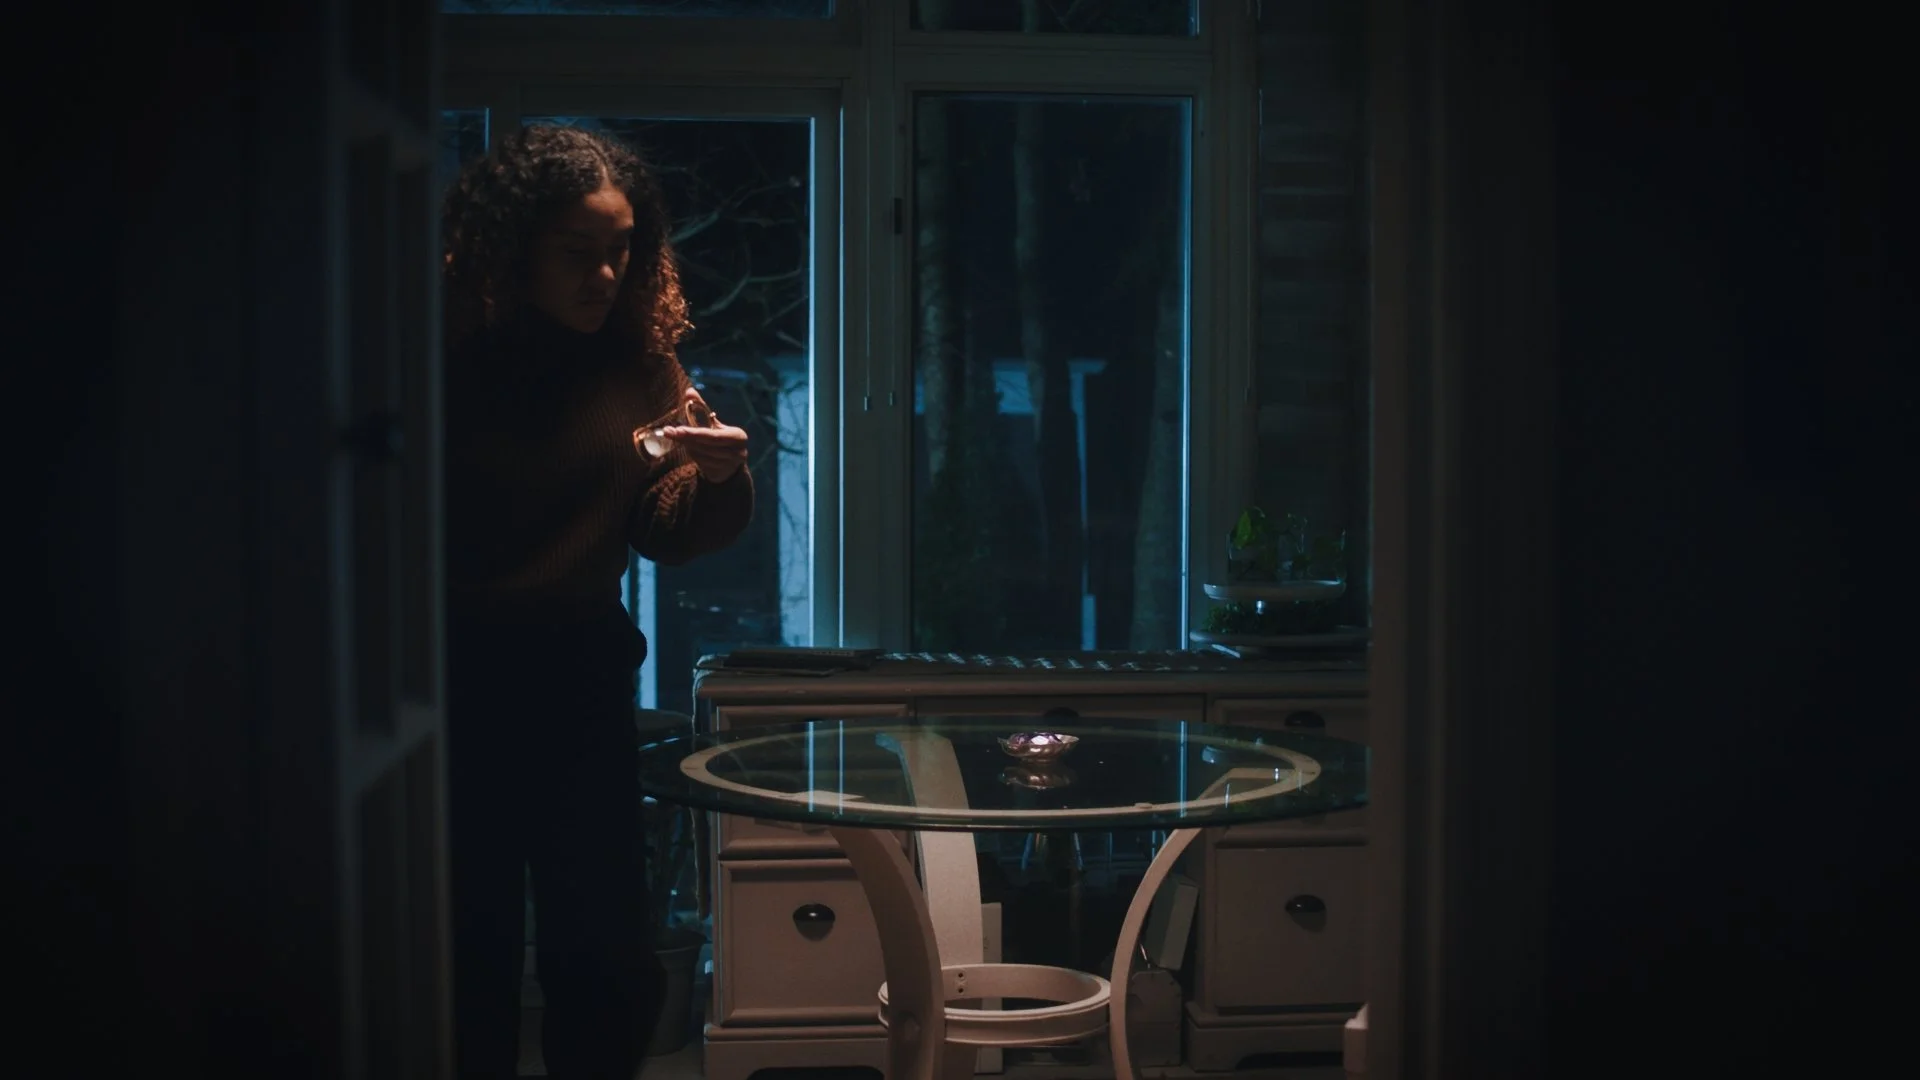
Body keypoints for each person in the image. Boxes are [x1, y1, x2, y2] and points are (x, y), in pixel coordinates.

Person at [439, 123, 753, 1079]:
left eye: (622, 250)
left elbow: (665, 527)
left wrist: (719, 477)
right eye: (578, 252)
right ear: (513, 249)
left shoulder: (638, 364)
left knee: (606, 958)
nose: (606, 276)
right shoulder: (441, 360)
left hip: (579, 688)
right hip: (448, 691)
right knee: (463, 953)